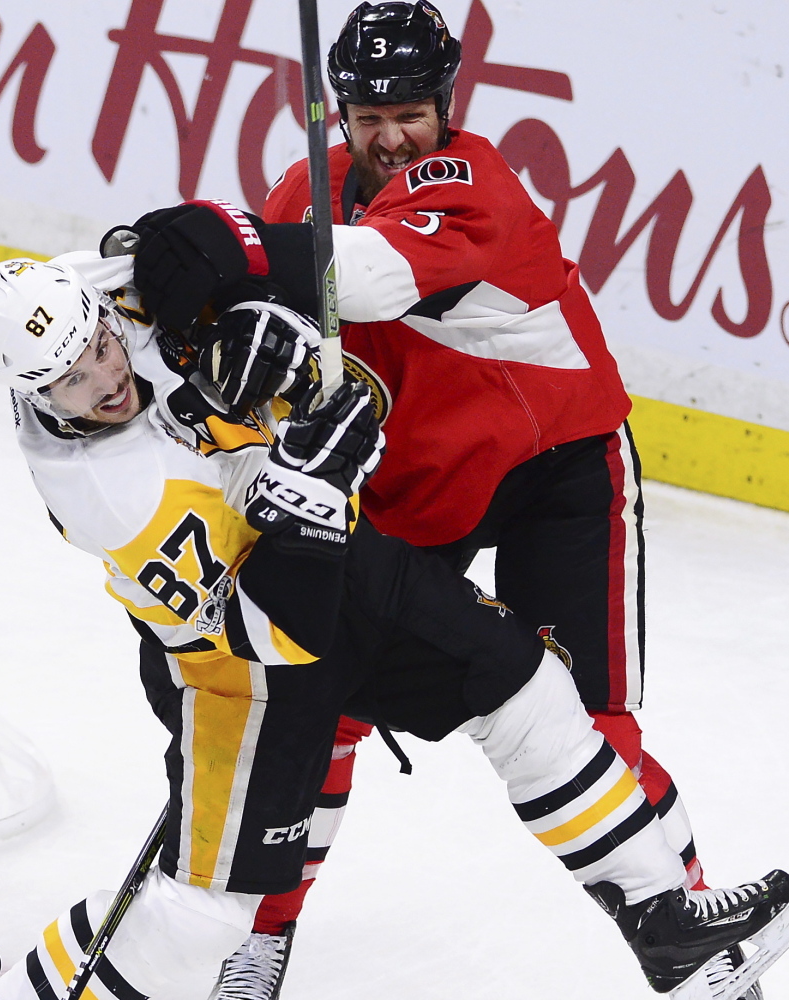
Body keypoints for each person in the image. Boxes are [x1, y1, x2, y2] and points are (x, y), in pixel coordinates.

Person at [114, 3, 761, 997]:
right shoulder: (306, 190)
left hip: (555, 472)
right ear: (338, 109)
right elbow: (248, 301)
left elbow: (363, 277)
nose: (388, 134)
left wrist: (224, 238)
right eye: (368, 113)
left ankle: (694, 944)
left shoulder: (471, 184)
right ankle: (259, 933)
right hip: (411, 486)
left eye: (409, 111)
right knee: (307, 693)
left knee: (584, 733)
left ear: (444, 105)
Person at [0, 252, 789, 1000]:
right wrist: (313, 484)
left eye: (100, 348)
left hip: (345, 570)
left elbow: (181, 252)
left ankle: (660, 922)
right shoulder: (109, 495)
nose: (104, 379)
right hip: (242, 669)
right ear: (35, 396)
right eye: (71, 382)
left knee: (525, 688)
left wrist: (259, 315)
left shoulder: (91, 297)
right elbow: (279, 628)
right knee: (206, 911)